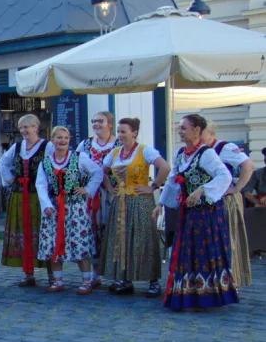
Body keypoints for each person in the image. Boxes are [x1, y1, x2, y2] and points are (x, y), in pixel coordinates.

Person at [153, 114, 239, 311]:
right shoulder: (181, 154)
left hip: (207, 213)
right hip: (189, 213)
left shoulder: (206, 154)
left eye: (184, 128)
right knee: (186, 251)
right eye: (180, 127)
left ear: (196, 130)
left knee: (203, 250)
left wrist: (202, 190)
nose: (180, 131)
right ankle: (189, 294)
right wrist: (161, 204)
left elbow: (224, 175)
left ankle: (207, 296)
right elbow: (174, 179)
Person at [100, 118, 170, 297]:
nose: (120, 135)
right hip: (121, 200)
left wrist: (153, 186)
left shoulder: (145, 150)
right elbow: (102, 171)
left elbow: (165, 167)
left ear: (134, 132)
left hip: (140, 200)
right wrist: (110, 188)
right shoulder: (115, 152)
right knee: (121, 239)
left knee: (143, 238)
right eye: (119, 131)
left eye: (124, 131)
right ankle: (125, 279)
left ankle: (153, 281)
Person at [35, 126, 103, 293]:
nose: (63, 141)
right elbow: (41, 185)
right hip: (54, 209)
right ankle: (58, 280)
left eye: (66, 138)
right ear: (52, 140)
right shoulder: (45, 162)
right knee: (53, 243)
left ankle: (86, 281)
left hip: (75, 208)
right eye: (59, 138)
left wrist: (88, 189)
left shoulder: (79, 157)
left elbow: (98, 172)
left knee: (80, 243)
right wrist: (46, 205)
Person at [0, 114, 55, 287]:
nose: (24, 130)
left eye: (27, 126)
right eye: (22, 127)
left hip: (38, 196)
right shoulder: (17, 147)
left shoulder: (47, 146)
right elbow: (3, 162)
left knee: (43, 232)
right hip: (19, 196)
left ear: (36, 128)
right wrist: (10, 179)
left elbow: (54, 165)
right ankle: (28, 273)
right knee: (23, 232)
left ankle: (52, 273)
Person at [199, 123, 254, 287]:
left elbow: (248, 165)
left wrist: (237, 188)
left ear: (210, 133)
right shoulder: (199, 151)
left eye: (200, 133)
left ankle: (231, 280)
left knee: (228, 238)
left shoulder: (224, 147)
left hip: (225, 200)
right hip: (209, 201)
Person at [77, 111, 119, 288]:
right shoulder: (86, 144)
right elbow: (75, 163)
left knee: (113, 231)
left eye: (100, 121)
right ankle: (95, 274)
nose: (96, 124)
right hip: (90, 194)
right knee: (93, 231)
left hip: (113, 195)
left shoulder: (118, 143)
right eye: (94, 121)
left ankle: (117, 273)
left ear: (110, 124)